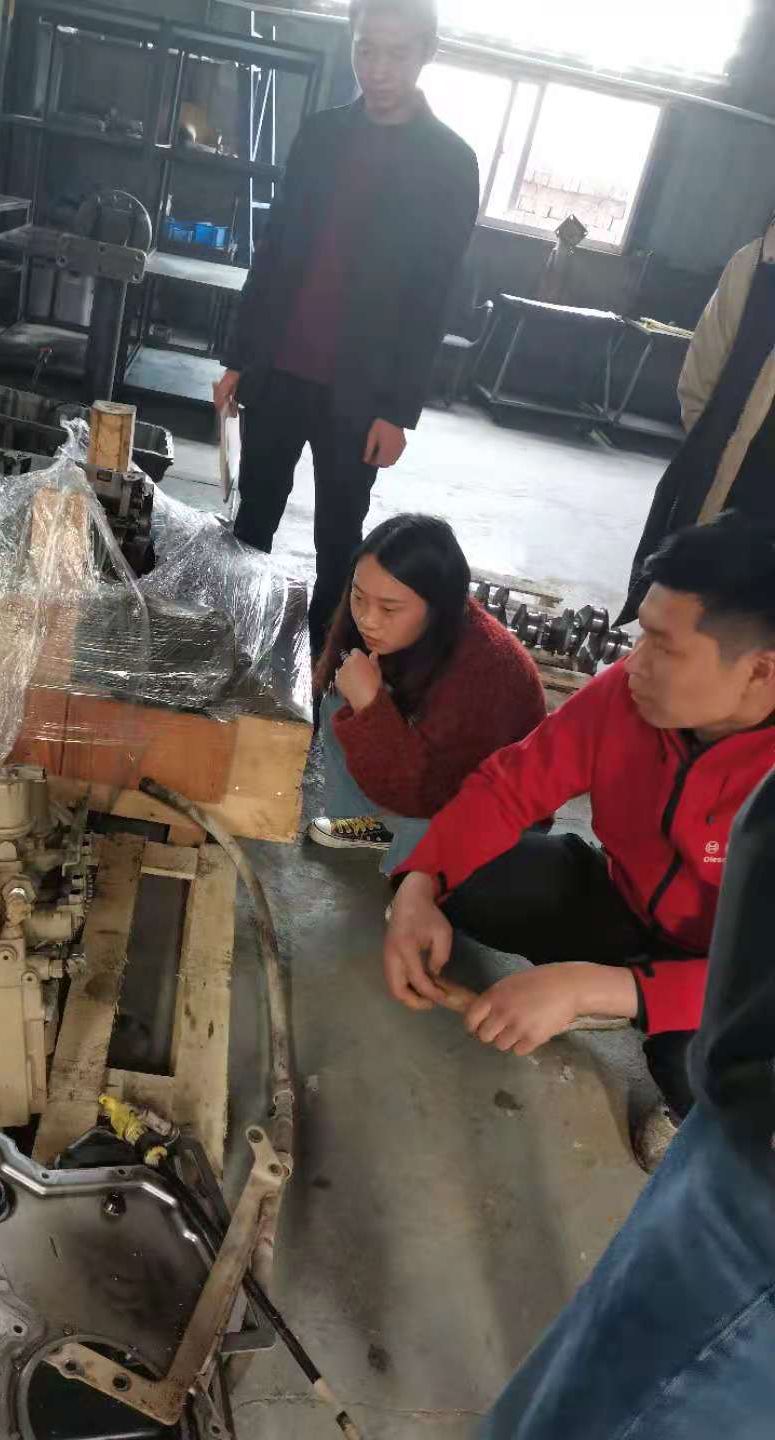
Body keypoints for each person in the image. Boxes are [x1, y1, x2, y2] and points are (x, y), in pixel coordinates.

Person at [382, 514, 775, 1167]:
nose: (633, 665)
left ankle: (683, 1090)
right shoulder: (626, 695)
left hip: (732, 974)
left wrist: (590, 989)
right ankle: (623, 990)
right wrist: (419, 885)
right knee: (471, 876)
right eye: (639, 635)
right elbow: (509, 787)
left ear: (760, 671)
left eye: (664, 648)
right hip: (626, 904)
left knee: (728, 1080)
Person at [480, 766, 775, 1439]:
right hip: (739, 1112)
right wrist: (422, 876)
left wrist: (602, 989)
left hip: (755, 1172)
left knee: (647, 1396)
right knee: (596, 1364)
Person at [214, 0, 479, 656]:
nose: (378, 69)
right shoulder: (321, 136)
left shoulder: (449, 162)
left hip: (360, 394)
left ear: (427, 53)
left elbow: (433, 298)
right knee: (253, 514)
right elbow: (273, 251)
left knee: (339, 538)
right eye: (366, 50)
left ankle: (320, 665)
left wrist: (398, 411)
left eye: (397, 53)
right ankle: (231, 642)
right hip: (279, 370)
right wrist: (239, 357)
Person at [308, 514, 546, 872]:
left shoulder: (487, 670)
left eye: (389, 608)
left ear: (437, 606)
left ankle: (417, 858)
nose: (367, 619)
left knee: (410, 873)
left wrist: (371, 705)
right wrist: (366, 702)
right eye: (358, 597)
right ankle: (369, 825)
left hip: (492, 813)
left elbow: (427, 795)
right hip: (430, 780)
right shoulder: (417, 634)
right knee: (342, 693)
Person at [619, 215, 775, 624]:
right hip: (731, 470)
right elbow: (703, 370)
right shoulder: (754, 265)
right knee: (701, 600)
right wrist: (712, 441)